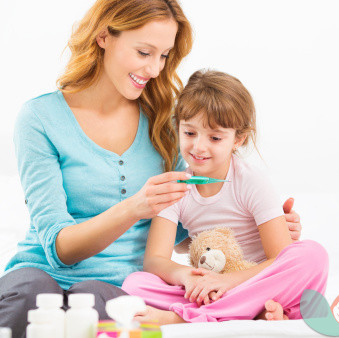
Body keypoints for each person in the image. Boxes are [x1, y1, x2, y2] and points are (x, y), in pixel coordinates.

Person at [0, 1, 302, 336]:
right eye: (144, 52)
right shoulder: (40, 119)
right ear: (104, 36)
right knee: (28, 300)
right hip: (37, 272)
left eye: (164, 56)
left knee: (102, 310)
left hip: (120, 284)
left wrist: (257, 225)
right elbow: (60, 249)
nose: (154, 69)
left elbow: (185, 227)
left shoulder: (168, 126)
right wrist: (136, 206)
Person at [121, 70, 328, 324]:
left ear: (238, 139)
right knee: (135, 284)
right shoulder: (176, 188)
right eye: (189, 133)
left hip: (254, 282)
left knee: (311, 256)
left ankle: (185, 318)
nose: (198, 147)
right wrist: (188, 276)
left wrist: (226, 282)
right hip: (211, 290)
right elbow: (155, 260)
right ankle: (249, 312)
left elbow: (280, 259)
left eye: (215, 137)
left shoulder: (251, 182)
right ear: (178, 127)